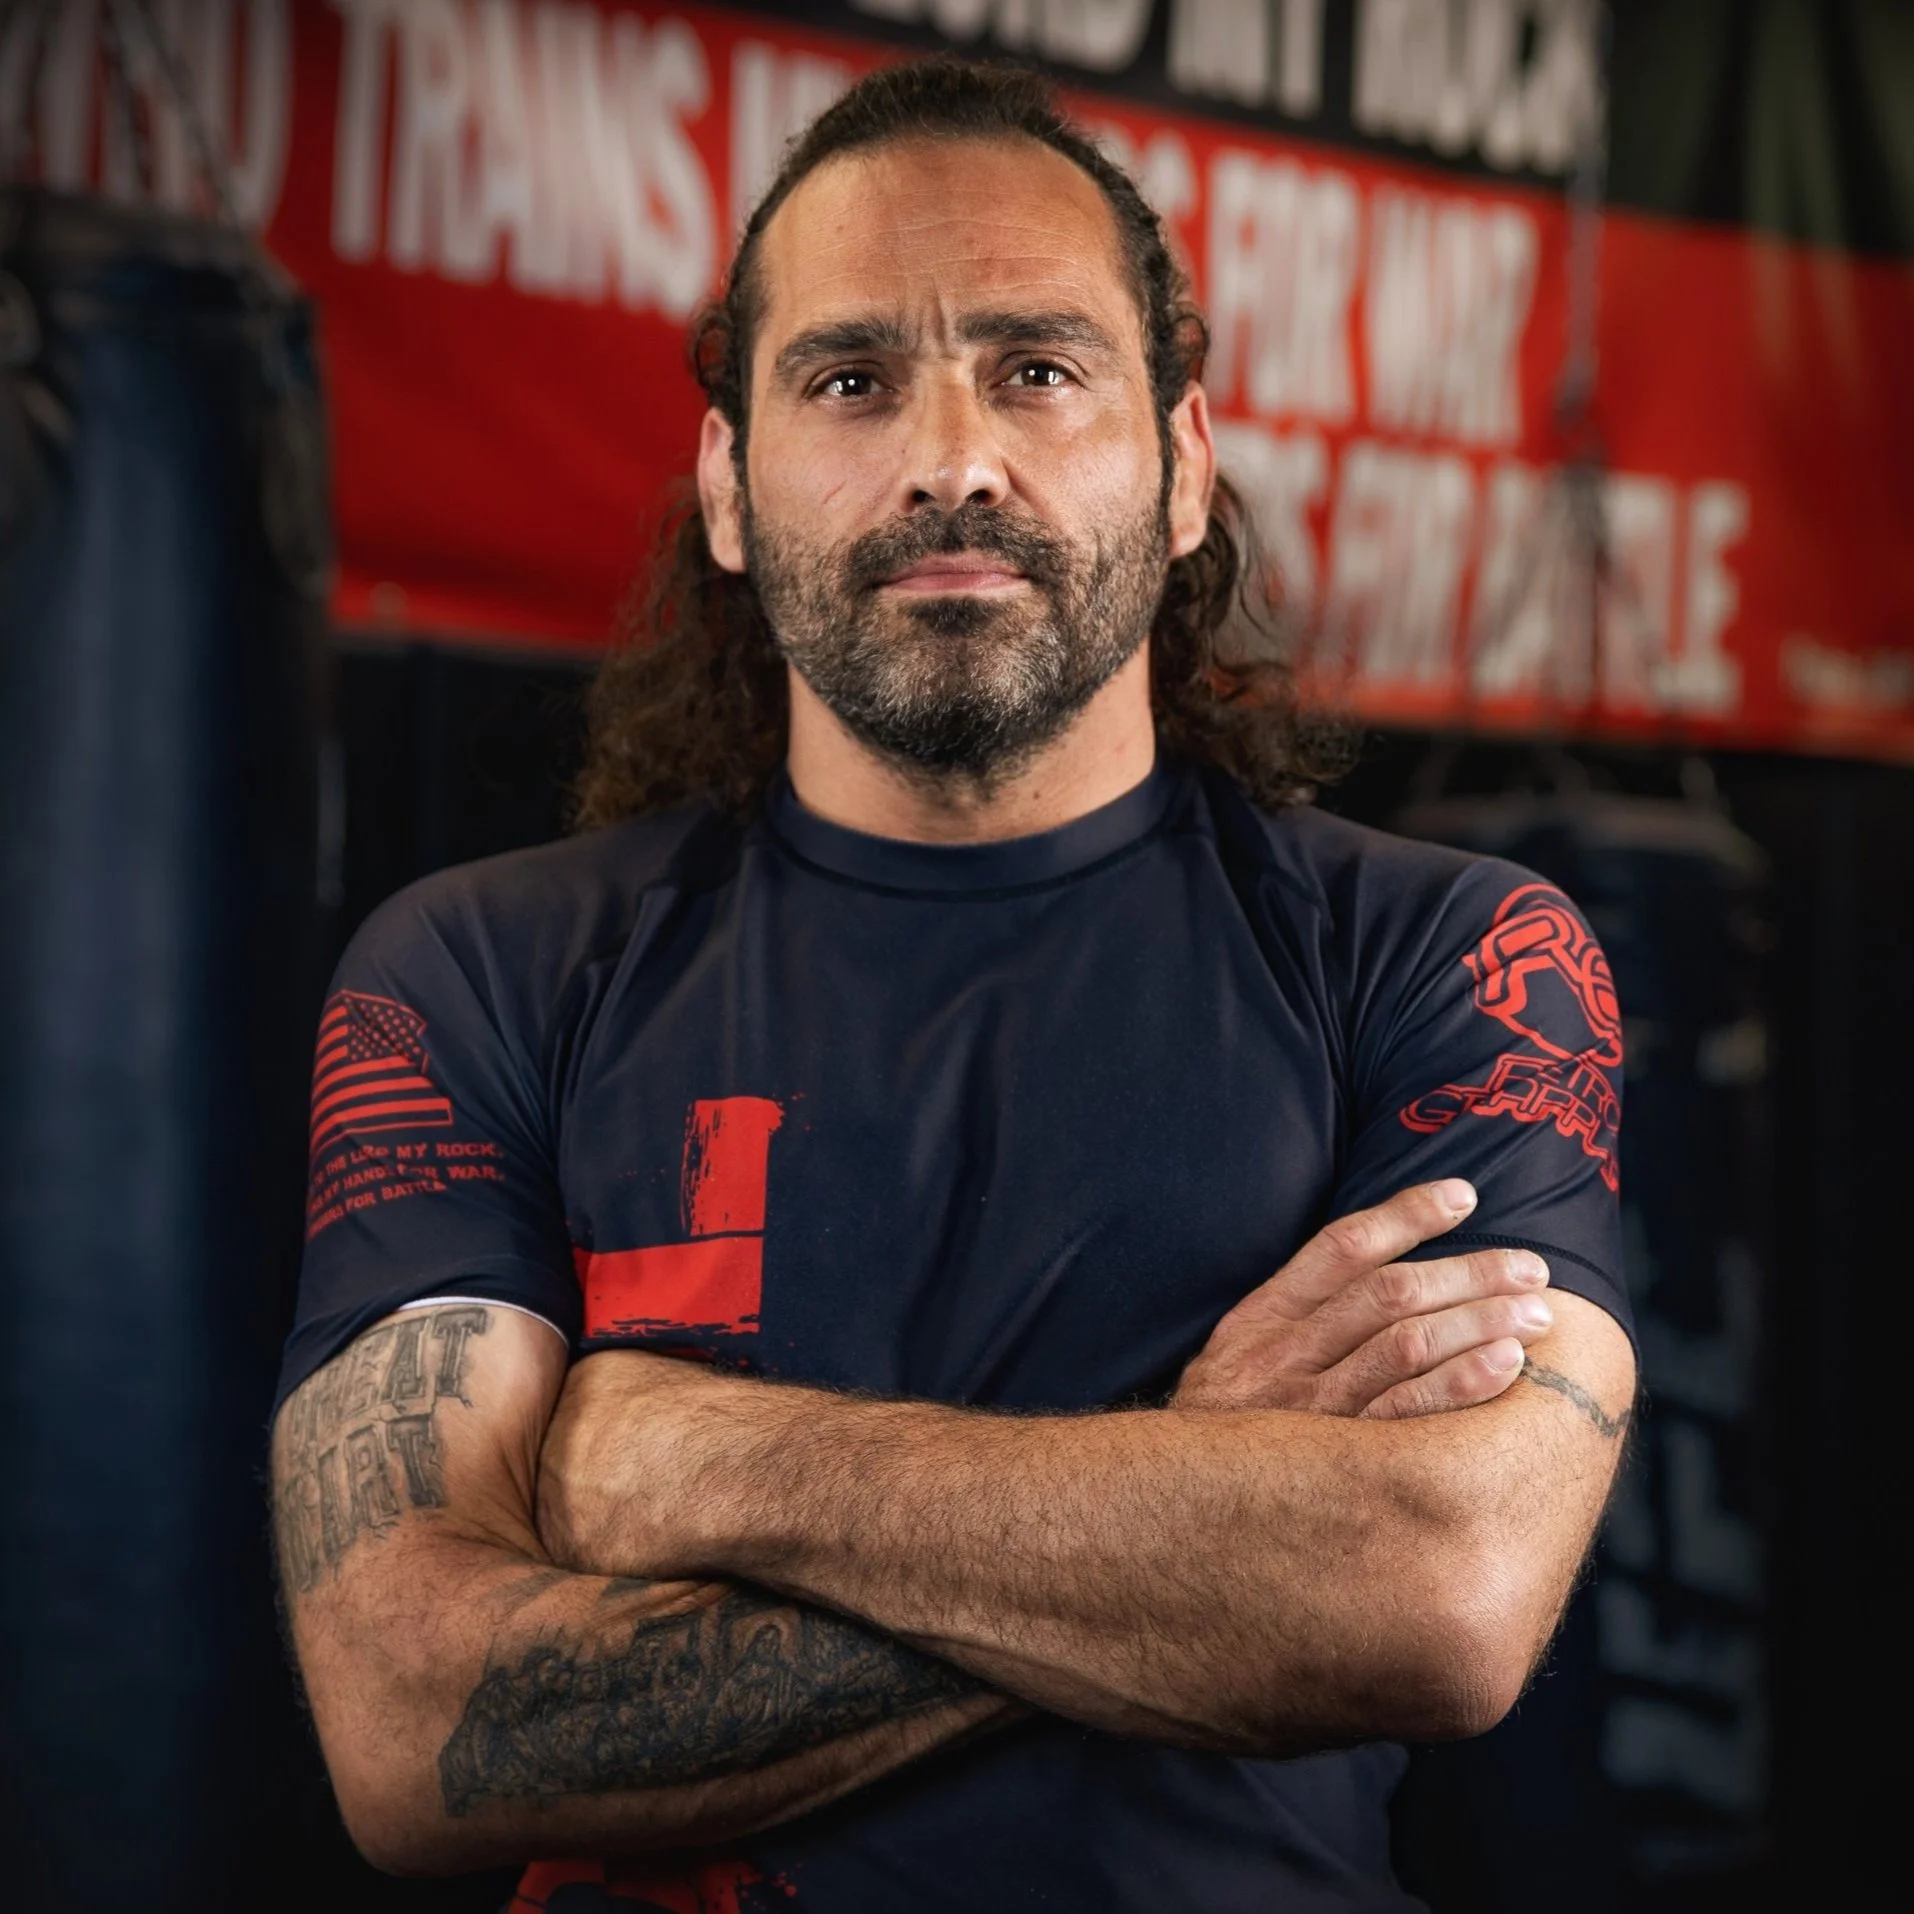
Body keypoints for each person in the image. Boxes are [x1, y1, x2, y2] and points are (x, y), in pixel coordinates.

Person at [272, 59, 1636, 1914]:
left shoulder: (1450, 958)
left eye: (1037, 369)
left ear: (1181, 470)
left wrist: (690, 1457)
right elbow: (418, 1725)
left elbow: (1440, 1596)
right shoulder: (479, 975)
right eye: (847, 379)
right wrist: (1195, 1505)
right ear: (726, 487)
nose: (950, 459)